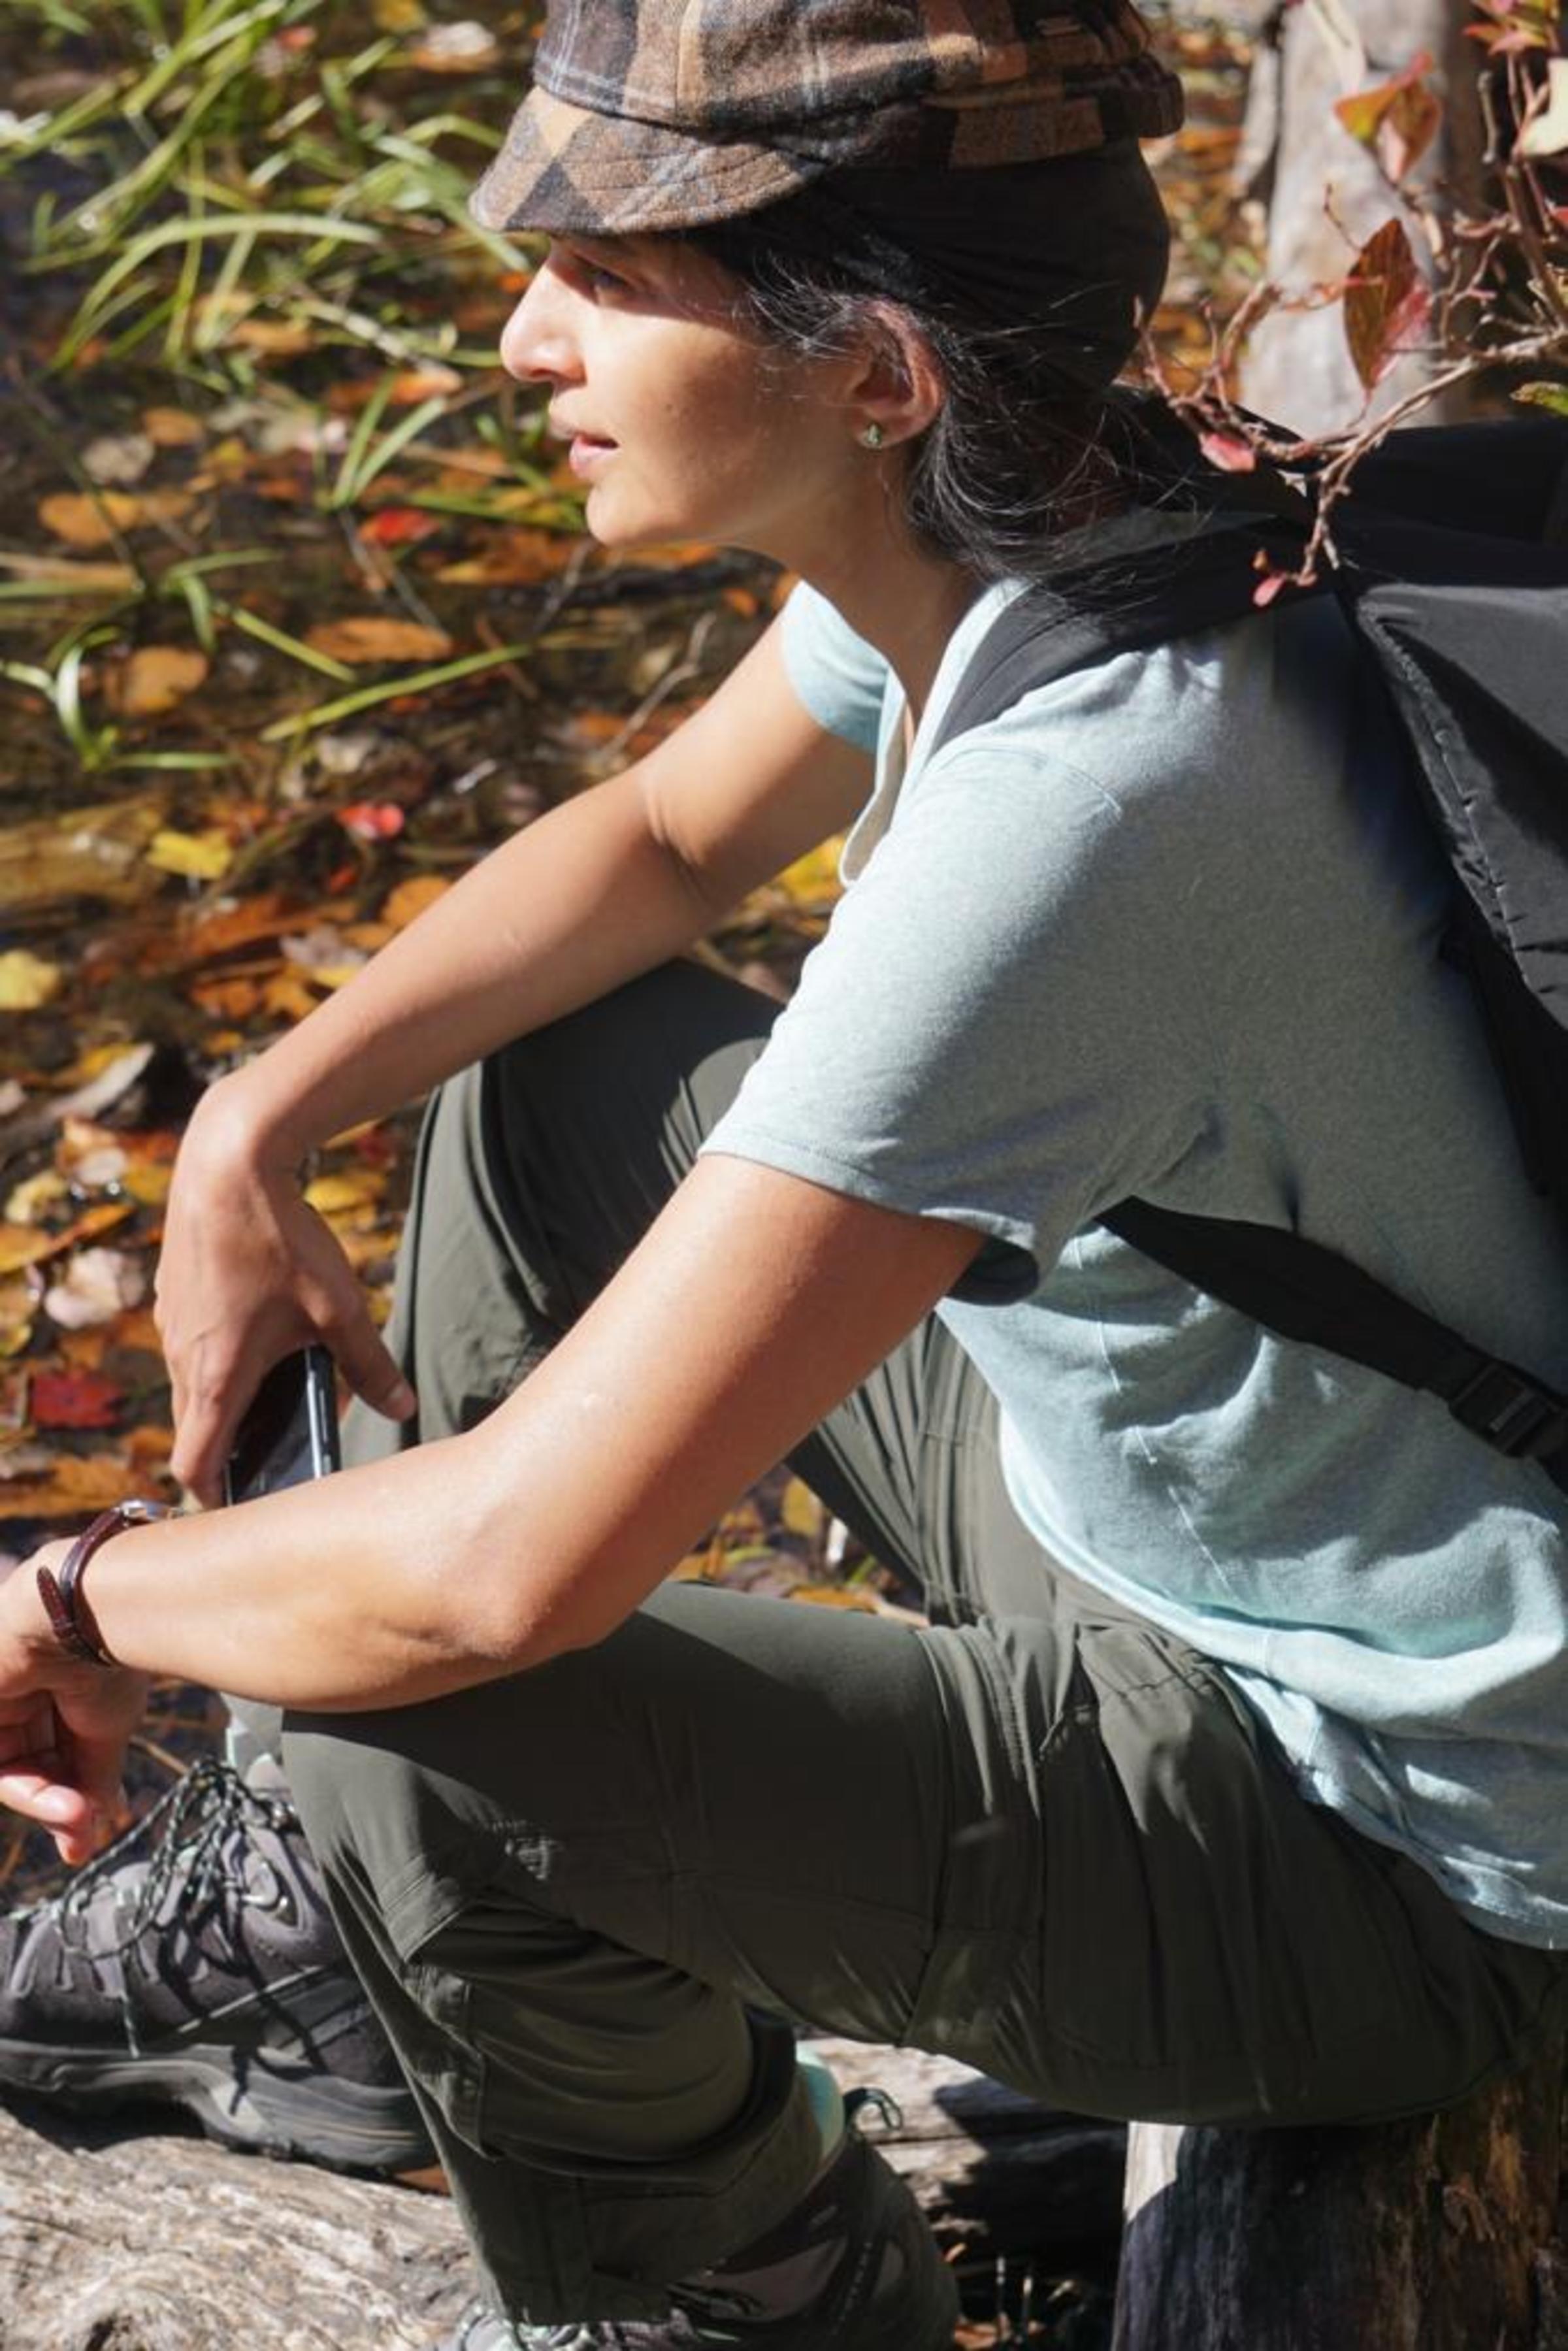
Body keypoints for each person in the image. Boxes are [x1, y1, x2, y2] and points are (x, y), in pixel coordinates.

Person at [3, 2, 1568, 2345]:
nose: (526, 334)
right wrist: (251, 1125)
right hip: (1184, 1532)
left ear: (882, 373)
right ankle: (402, 1957)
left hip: (1393, 1854)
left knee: (405, 1704)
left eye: (611, 278)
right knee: (538, 1087)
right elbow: (652, 843)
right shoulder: (1091, 505)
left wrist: (72, 1596)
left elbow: (496, 1577)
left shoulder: (1096, 806)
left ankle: (762, 2283)